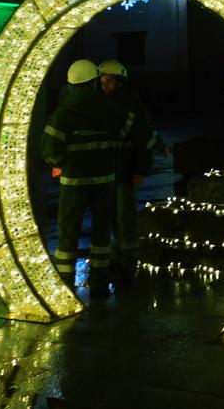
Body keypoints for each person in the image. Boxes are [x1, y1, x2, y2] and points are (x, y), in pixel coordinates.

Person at [42, 59, 120, 298]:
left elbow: (50, 151)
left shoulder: (62, 113)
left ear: (72, 84)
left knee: (68, 232)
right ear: (94, 80)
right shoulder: (107, 107)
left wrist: (58, 164)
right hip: (104, 180)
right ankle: (99, 283)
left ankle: (65, 282)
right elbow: (119, 137)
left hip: (73, 182)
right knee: (101, 232)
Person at [97, 59, 153, 286]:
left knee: (125, 217)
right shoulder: (100, 103)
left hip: (126, 171)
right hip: (106, 172)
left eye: (109, 80)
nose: (104, 85)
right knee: (110, 217)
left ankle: (129, 261)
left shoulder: (132, 105)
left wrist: (141, 169)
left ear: (119, 82)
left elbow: (143, 139)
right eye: (102, 81)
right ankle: (115, 257)